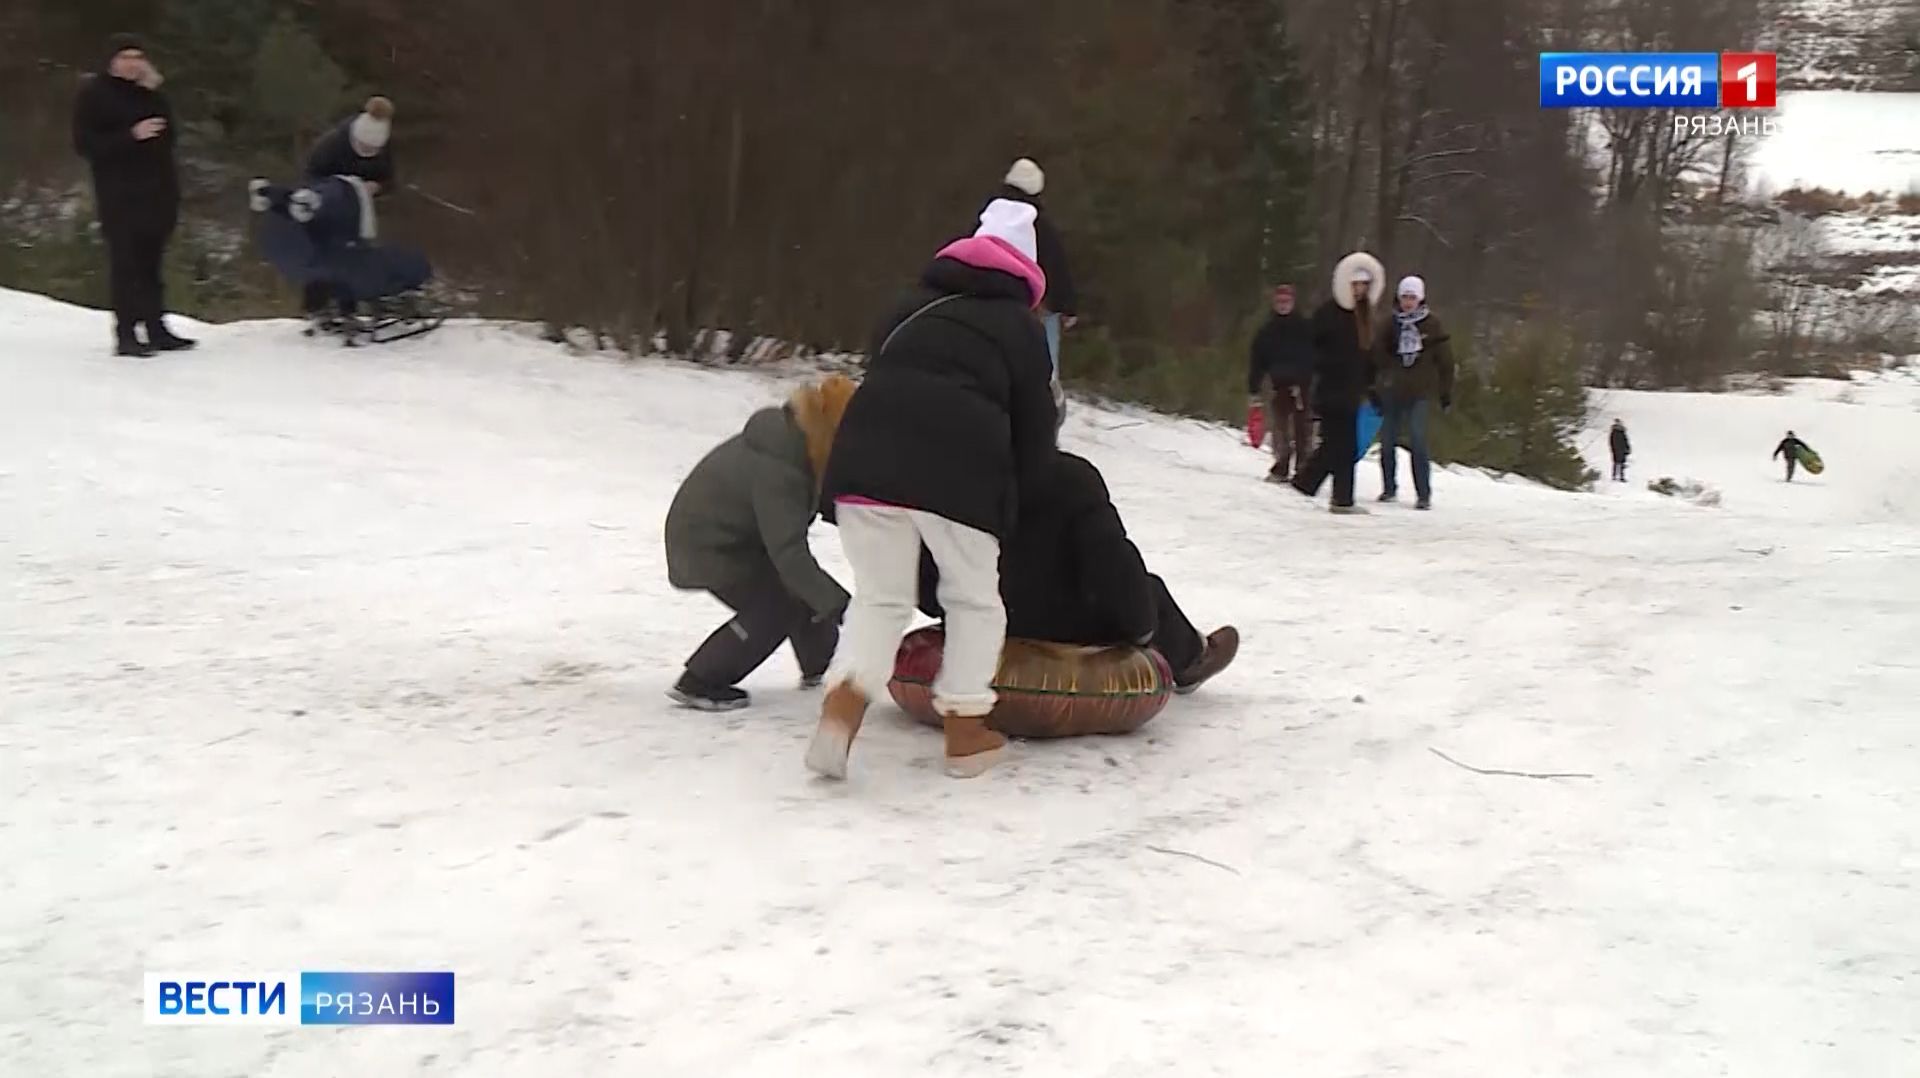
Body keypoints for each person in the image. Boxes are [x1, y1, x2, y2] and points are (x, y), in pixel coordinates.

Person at [805, 198, 1059, 781]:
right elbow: (1035, 426)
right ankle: (966, 733)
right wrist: (1025, 495)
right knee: (973, 600)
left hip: (867, 460)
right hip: (961, 471)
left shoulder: (907, 306)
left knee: (879, 598)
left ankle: (840, 714)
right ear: (1026, 275)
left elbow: (884, 376)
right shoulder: (1020, 328)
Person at [919, 448, 1239, 694]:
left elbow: (925, 584)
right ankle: (1192, 658)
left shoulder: (951, 479)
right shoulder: (1071, 480)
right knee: (1148, 588)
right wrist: (1141, 627)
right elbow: (1113, 568)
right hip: (1067, 630)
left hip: (975, 620)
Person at [664, 376, 859, 710]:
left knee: (804, 589)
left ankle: (822, 666)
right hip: (705, 546)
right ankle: (700, 680)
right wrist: (844, 608)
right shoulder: (783, 468)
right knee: (778, 606)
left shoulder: (801, 447)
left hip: (741, 541)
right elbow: (789, 555)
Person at [72, 34, 193, 357]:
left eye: (138, 56)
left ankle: (156, 328)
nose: (133, 63)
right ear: (111, 60)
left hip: (158, 191)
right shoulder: (94, 94)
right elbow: (85, 144)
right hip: (119, 194)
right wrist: (130, 136)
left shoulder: (150, 94)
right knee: (126, 266)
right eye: (125, 56)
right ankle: (126, 333)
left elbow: (170, 137)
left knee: (152, 265)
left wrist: (153, 92)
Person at [1291, 252, 1384, 514]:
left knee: (1345, 446)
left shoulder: (1364, 317)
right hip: (1331, 388)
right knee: (1336, 444)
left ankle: (1339, 497)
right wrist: (1315, 370)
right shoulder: (1328, 313)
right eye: (1355, 285)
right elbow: (1308, 348)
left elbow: (1368, 357)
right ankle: (1306, 483)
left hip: (1351, 390)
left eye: (1364, 285)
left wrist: (1371, 387)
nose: (1359, 290)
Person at [300, 96, 396, 322]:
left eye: (373, 150)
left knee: (356, 255)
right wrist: (337, 189)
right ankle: (315, 308)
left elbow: (390, 179)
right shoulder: (331, 144)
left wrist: (377, 187)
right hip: (327, 204)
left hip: (360, 210)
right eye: (364, 147)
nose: (368, 151)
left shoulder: (384, 150)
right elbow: (311, 175)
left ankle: (348, 310)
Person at [990, 158, 1078, 387]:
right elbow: (1057, 267)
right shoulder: (1039, 224)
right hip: (1033, 305)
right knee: (1044, 367)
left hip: (988, 300)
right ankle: (1046, 391)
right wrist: (1067, 307)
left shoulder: (989, 216)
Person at [1374, 275, 1454, 510]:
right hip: (1392, 390)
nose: (1408, 302)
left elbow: (1445, 361)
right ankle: (1389, 488)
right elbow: (1376, 355)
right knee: (1387, 442)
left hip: (1419, 392)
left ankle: (1423, 494)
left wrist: (1445, 392)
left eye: (1412, 298)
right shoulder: (1390, 324)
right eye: (1404, 297)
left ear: (1420, 299)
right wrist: (1376, 382)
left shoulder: (1432, 325)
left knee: (1418, 441)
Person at [1248, 284, 1315, 483]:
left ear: (1293, 302)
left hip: (1301, 386)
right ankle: (1281, 465)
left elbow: (1313, 356)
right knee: (1280, 428)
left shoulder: (1304, 327)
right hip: (1278, 385)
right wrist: (1253, 388)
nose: (1283, 305)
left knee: (1302, 429)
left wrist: (1305, 379)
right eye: (1280, 301)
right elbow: (1257, 361)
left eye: (1286, 301)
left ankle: (1303, 467)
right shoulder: (1267, 331)